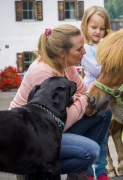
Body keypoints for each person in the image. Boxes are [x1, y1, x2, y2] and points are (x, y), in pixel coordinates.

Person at [9, 24, 112, 180]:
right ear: (62, 53)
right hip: (29, 142)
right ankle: (34, 172)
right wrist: (83, 101)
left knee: (103, 112)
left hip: (49, 130)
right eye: (79, 49)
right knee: (89, 152)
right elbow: (57, 120)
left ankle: (76, 174)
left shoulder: (65, 66)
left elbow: (84, 90)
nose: (84, 52)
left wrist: (84, 101)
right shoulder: (43, 72)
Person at [81, 6, 112, 180]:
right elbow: (97, 70)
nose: (98, 32)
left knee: (103, 138)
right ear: (85, 26)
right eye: (94, 27)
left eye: (102, 28)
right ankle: (86, 172)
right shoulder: (84, 49)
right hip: (90, 97)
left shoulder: (106, 45)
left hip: (104, 98)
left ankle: (101, 171)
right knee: (89, 136)